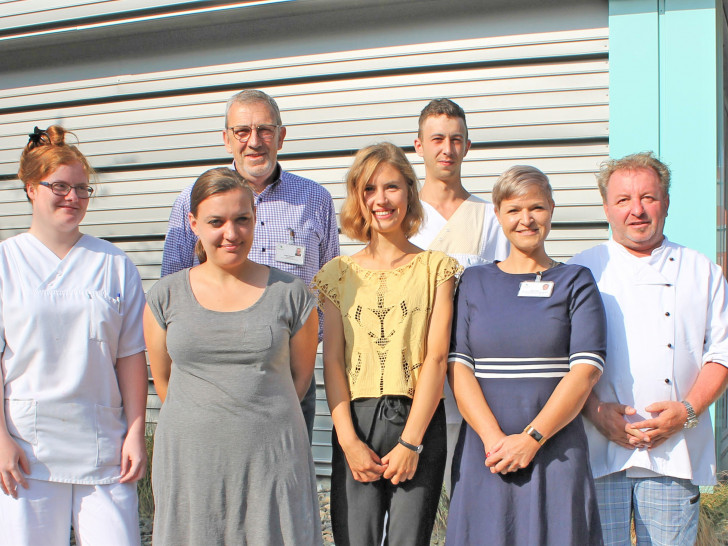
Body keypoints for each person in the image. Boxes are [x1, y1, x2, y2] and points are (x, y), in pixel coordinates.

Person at [144, 167, 321, 545]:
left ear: (255, 219)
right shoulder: (165, 296)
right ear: (193, 224)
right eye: (216, 221)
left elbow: (300, 379)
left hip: (272, 459)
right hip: (190, 460)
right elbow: (164, 381)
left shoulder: (292, 294)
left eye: (242, 220)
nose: (231, 233)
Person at [161, 89, 339, 441]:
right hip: (211, 375)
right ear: (226, 139)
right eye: (242, 131)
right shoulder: (193, 200)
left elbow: (330, 290)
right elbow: (172, 295)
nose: (254, 142)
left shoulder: (314, 200)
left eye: (265, 130)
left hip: (289, 372)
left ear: (282, 136)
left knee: (282, 485)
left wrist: (303, 357)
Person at [570, 152, 728, 545]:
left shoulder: (701, 270)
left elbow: (722, 354)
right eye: (623, 200)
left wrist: (686, 412)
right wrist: (595, 411)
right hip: (598, 448)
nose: (636, 210)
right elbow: (560, 359)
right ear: (606, 207)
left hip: (673, 452)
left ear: (667, 203)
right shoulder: (582, 270)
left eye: (649, 198)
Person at [0, 126, 148, 545]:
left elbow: (131, 356)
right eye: (60, 186)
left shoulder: (115, 264)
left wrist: (135, 431)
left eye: (82, 189)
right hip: (27, 448)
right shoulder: (6, 263)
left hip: (103, 443)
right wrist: (0, 440)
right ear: (30, 188)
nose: (73, 198)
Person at [446, 165, 606, 545]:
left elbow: (584, 372)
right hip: (486, 454)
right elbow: (458, 368)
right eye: (514, 209)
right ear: (499, 214)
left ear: (551, 209)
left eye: (536, 208)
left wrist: (531, 439)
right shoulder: (474, 281)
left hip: (555, 452)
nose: (526, 219)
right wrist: (495, 440)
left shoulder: (575, 281)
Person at [313, 142, 461, 546]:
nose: (381, 200)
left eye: (392, 187)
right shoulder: (336, 274)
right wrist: (348, 442)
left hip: (419, 422)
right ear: (358, 198)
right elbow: (334, 363)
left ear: (410, 192)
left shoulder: (437, 269)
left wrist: (412, 441)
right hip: (355, 424)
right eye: (369, 189)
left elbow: (435, 359)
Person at [409, 98, 509, 493]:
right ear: (419, 146)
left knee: (466, 495)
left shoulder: (491, 217)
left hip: (470, 380)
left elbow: (505, 296)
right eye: (436, 139)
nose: (446, 149)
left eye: (455, 139)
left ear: (468, 146)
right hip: (410, 377)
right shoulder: (401, 214)